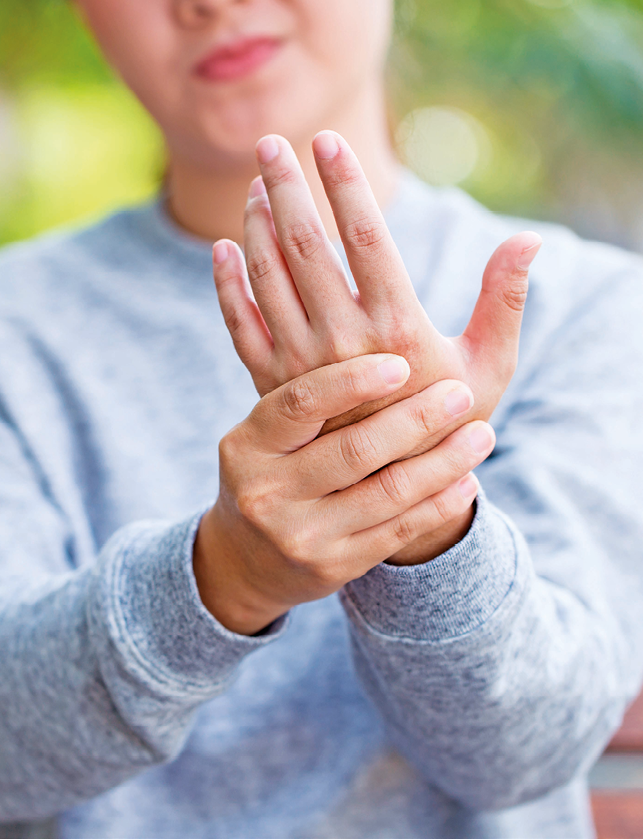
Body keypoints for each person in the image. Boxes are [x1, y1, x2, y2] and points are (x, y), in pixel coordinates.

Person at [1, 0, 642, 837]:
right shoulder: (18, 326)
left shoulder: (583, 307)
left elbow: (527, 752)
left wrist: (425, 515)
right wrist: (220, 576)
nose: (209, 5)